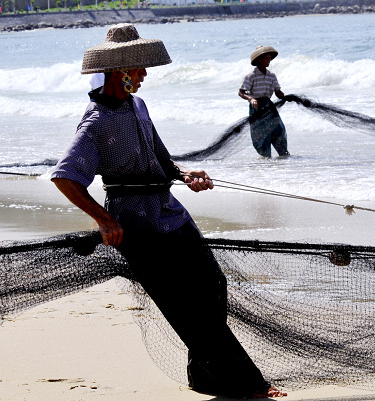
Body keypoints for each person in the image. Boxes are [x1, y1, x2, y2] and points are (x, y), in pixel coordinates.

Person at [51, 23, 286, 399]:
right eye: (139, 68)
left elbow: (160, 157)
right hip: (136, 225)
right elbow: (65, 177)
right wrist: (103, 219)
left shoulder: (138, 105)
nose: (143, 75)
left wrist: (184, 174)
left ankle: (205, 375)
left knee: (212, 286)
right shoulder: (96, 122)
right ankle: (248, 383)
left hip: (169, 212)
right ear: (119, 71)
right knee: (182, 306)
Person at [238, 45, 290, 158]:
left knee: (278, 130)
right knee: (261, 135)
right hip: (256, 108)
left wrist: (284, 96)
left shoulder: (272, 76)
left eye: (270, 58)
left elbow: (278, 92)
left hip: (269, 106)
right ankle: (266, 160)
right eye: (266, 58)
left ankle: (283, 156)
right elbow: (241, 92)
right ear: (259, 59)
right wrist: (251, 99)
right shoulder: (251, 76)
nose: (269, 60)